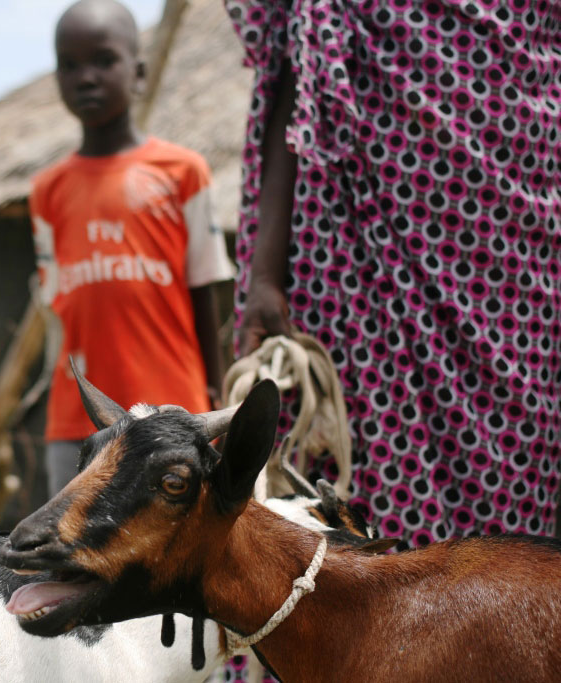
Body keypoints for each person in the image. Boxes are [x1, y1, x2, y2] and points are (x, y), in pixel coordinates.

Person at [229, 0, 560, 544]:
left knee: (512, 533)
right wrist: (264, 275)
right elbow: (299, 57)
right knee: (353, 522)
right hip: (351, 241)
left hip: (514, 245)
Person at [31, 0, 233, 494]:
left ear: (139, 72)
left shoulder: (182, 172)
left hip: (171, 412)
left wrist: (217, 395)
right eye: (70, 64)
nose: (86, 77)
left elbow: (206, 289)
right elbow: (59, 307)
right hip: (76, 421)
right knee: (72, 561)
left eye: (103, 60)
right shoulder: (47, 190)